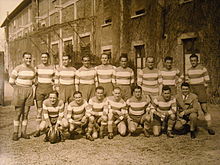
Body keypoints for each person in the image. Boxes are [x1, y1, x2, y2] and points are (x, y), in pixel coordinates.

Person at [186, 53, 215, 135]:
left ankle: (209, 127)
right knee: (192, 108)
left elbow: (207, 81)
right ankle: (193, 126)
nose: (193, 62)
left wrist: (204, 90)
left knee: (204, 108)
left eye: (195, 60)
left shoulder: (203, 68)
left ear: (197, 61)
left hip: (201, 89)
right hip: (192, 89)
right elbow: (187, 81)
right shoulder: (189, 70)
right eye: (191, 61)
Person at [9, 52, 35, 141]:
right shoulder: (18, 68)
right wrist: (17, 89)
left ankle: (23, 132)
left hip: (29, 91)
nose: (28, 60)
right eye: (26, 58)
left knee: (26, 113)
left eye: (29, 58)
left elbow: (34, 81)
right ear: (23, 59)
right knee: (18, 112)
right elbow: (11, 81)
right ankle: (15, 133)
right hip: (19, 91)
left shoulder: (32, 69)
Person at [34, 52, 55, 137]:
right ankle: (37, 129)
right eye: (42, 57)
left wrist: (54, 84)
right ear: (41, 58)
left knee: (49, 109)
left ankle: (49, 127)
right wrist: (35, 82)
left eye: (45, 57)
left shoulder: (52, 67)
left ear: (48, 58)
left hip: (49, 90)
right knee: (39, 110)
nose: (44, 59)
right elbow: (33, 77)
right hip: (40, 90)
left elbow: (55, 78)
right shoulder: (37, 67)